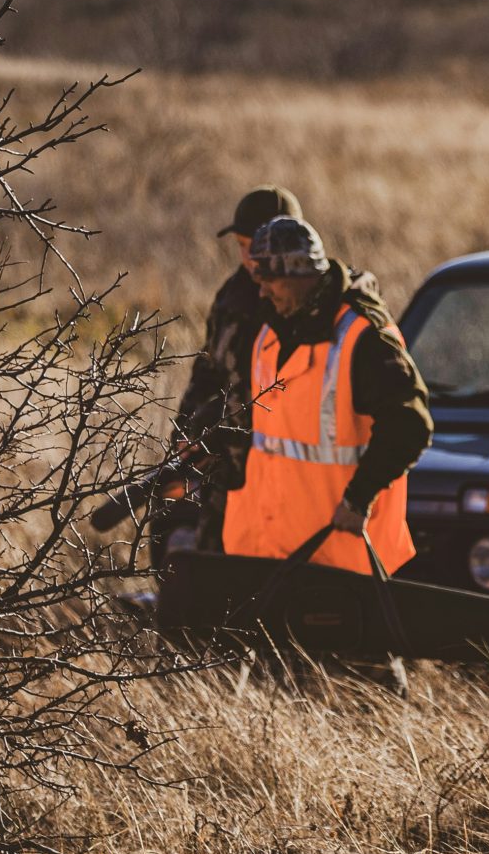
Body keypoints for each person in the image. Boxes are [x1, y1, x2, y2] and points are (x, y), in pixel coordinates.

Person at [219, 216, 431, 575]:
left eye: (270, 280)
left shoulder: (363, 337)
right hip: (266, 555)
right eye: (259, 280)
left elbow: (410, 425)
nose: (262, 292)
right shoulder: (268, 328)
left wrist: (358, 499)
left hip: (338, 561)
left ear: (303, 275)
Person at [174, 186, 302, 547]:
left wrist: (221, 419)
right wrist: (186, 429)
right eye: (241, 245)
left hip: (278, 471)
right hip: (224, 468)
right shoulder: (231, 294)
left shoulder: (302, 301)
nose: (246, 256)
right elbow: (208, 367)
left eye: (253, 245)